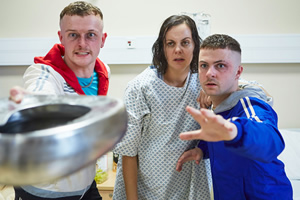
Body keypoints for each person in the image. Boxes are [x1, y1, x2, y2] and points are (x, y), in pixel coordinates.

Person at [11, 1, 109, 200]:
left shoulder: (103, 70)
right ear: (61, 37)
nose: (82, 43)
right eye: (73, 35)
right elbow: (41, 93)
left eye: (90, 35)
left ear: (102, 39)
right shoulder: (45, 72)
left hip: (84, 184)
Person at [176, 34, 293, 199]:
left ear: (238, 72)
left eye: (221, 66)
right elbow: (221, 135)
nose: (210, 73)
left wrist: (236, 131)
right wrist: (202, 149)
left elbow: (269, 138)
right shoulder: (217, 106)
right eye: (203, 65)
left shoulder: (250, 105)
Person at [112, 15, 212, 200]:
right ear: (162, 48)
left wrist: (213, 90)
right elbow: (128, 152)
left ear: (195, 46)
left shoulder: (206, 82)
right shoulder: (140, 88)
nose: (178, 50)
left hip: (189, 186)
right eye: (171, 44)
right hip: (146, 188)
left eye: (185, 42)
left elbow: (253, 92)